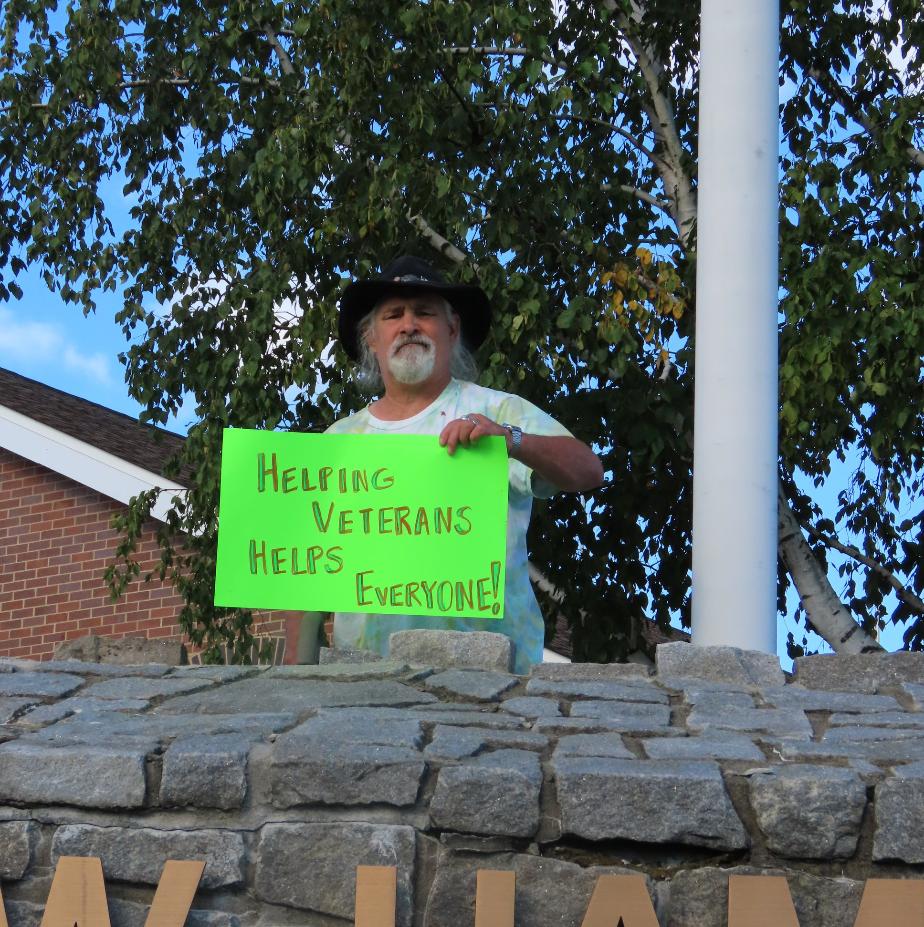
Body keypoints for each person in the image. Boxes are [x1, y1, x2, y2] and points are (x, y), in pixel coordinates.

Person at [326, 255, 603, 673]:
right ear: (371, 338)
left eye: (424, 313)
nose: (409, 325)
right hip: (366, 673)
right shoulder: (340, 440)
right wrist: (296, 664)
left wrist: (511, 439)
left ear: (451, 328)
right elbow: (309, 567)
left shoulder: (496, 411)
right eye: (393, 315)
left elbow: (587, 471)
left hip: (490, 675)